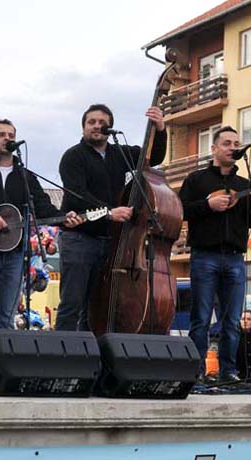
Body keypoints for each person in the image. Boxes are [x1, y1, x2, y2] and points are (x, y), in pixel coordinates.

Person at [0, 119, 83, 385]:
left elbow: (43, 207)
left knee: (6, 318)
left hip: (13, 254)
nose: (7, 138)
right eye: (1, 134)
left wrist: (64, 218)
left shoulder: (25, 177)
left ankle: (1, 369)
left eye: (11, 134)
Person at [56, 104, 167, 332]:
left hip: (111, 241)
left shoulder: (120, 153)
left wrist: (160, 129)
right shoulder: (73, 156)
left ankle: (90, 351)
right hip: (79, 239)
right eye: (92, 122)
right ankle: (63, 352)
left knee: (97, 306)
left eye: (102, 122)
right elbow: (78, 196)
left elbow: (153, 158)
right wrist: (109, 212)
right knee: (72, 303)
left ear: (110, 128)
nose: (97, 126)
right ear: (84, 127)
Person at [179, 126, 251, 382]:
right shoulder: (196, 180)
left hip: (235, 257)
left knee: (232, 320)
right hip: (204, 255)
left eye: (236, 144)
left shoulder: (244, 185)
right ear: (214, 148)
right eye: (227, 143)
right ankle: (196, 372)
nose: (232, 148)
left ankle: (229, 372)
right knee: (201, 318)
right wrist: (207, 205)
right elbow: (181, 210)